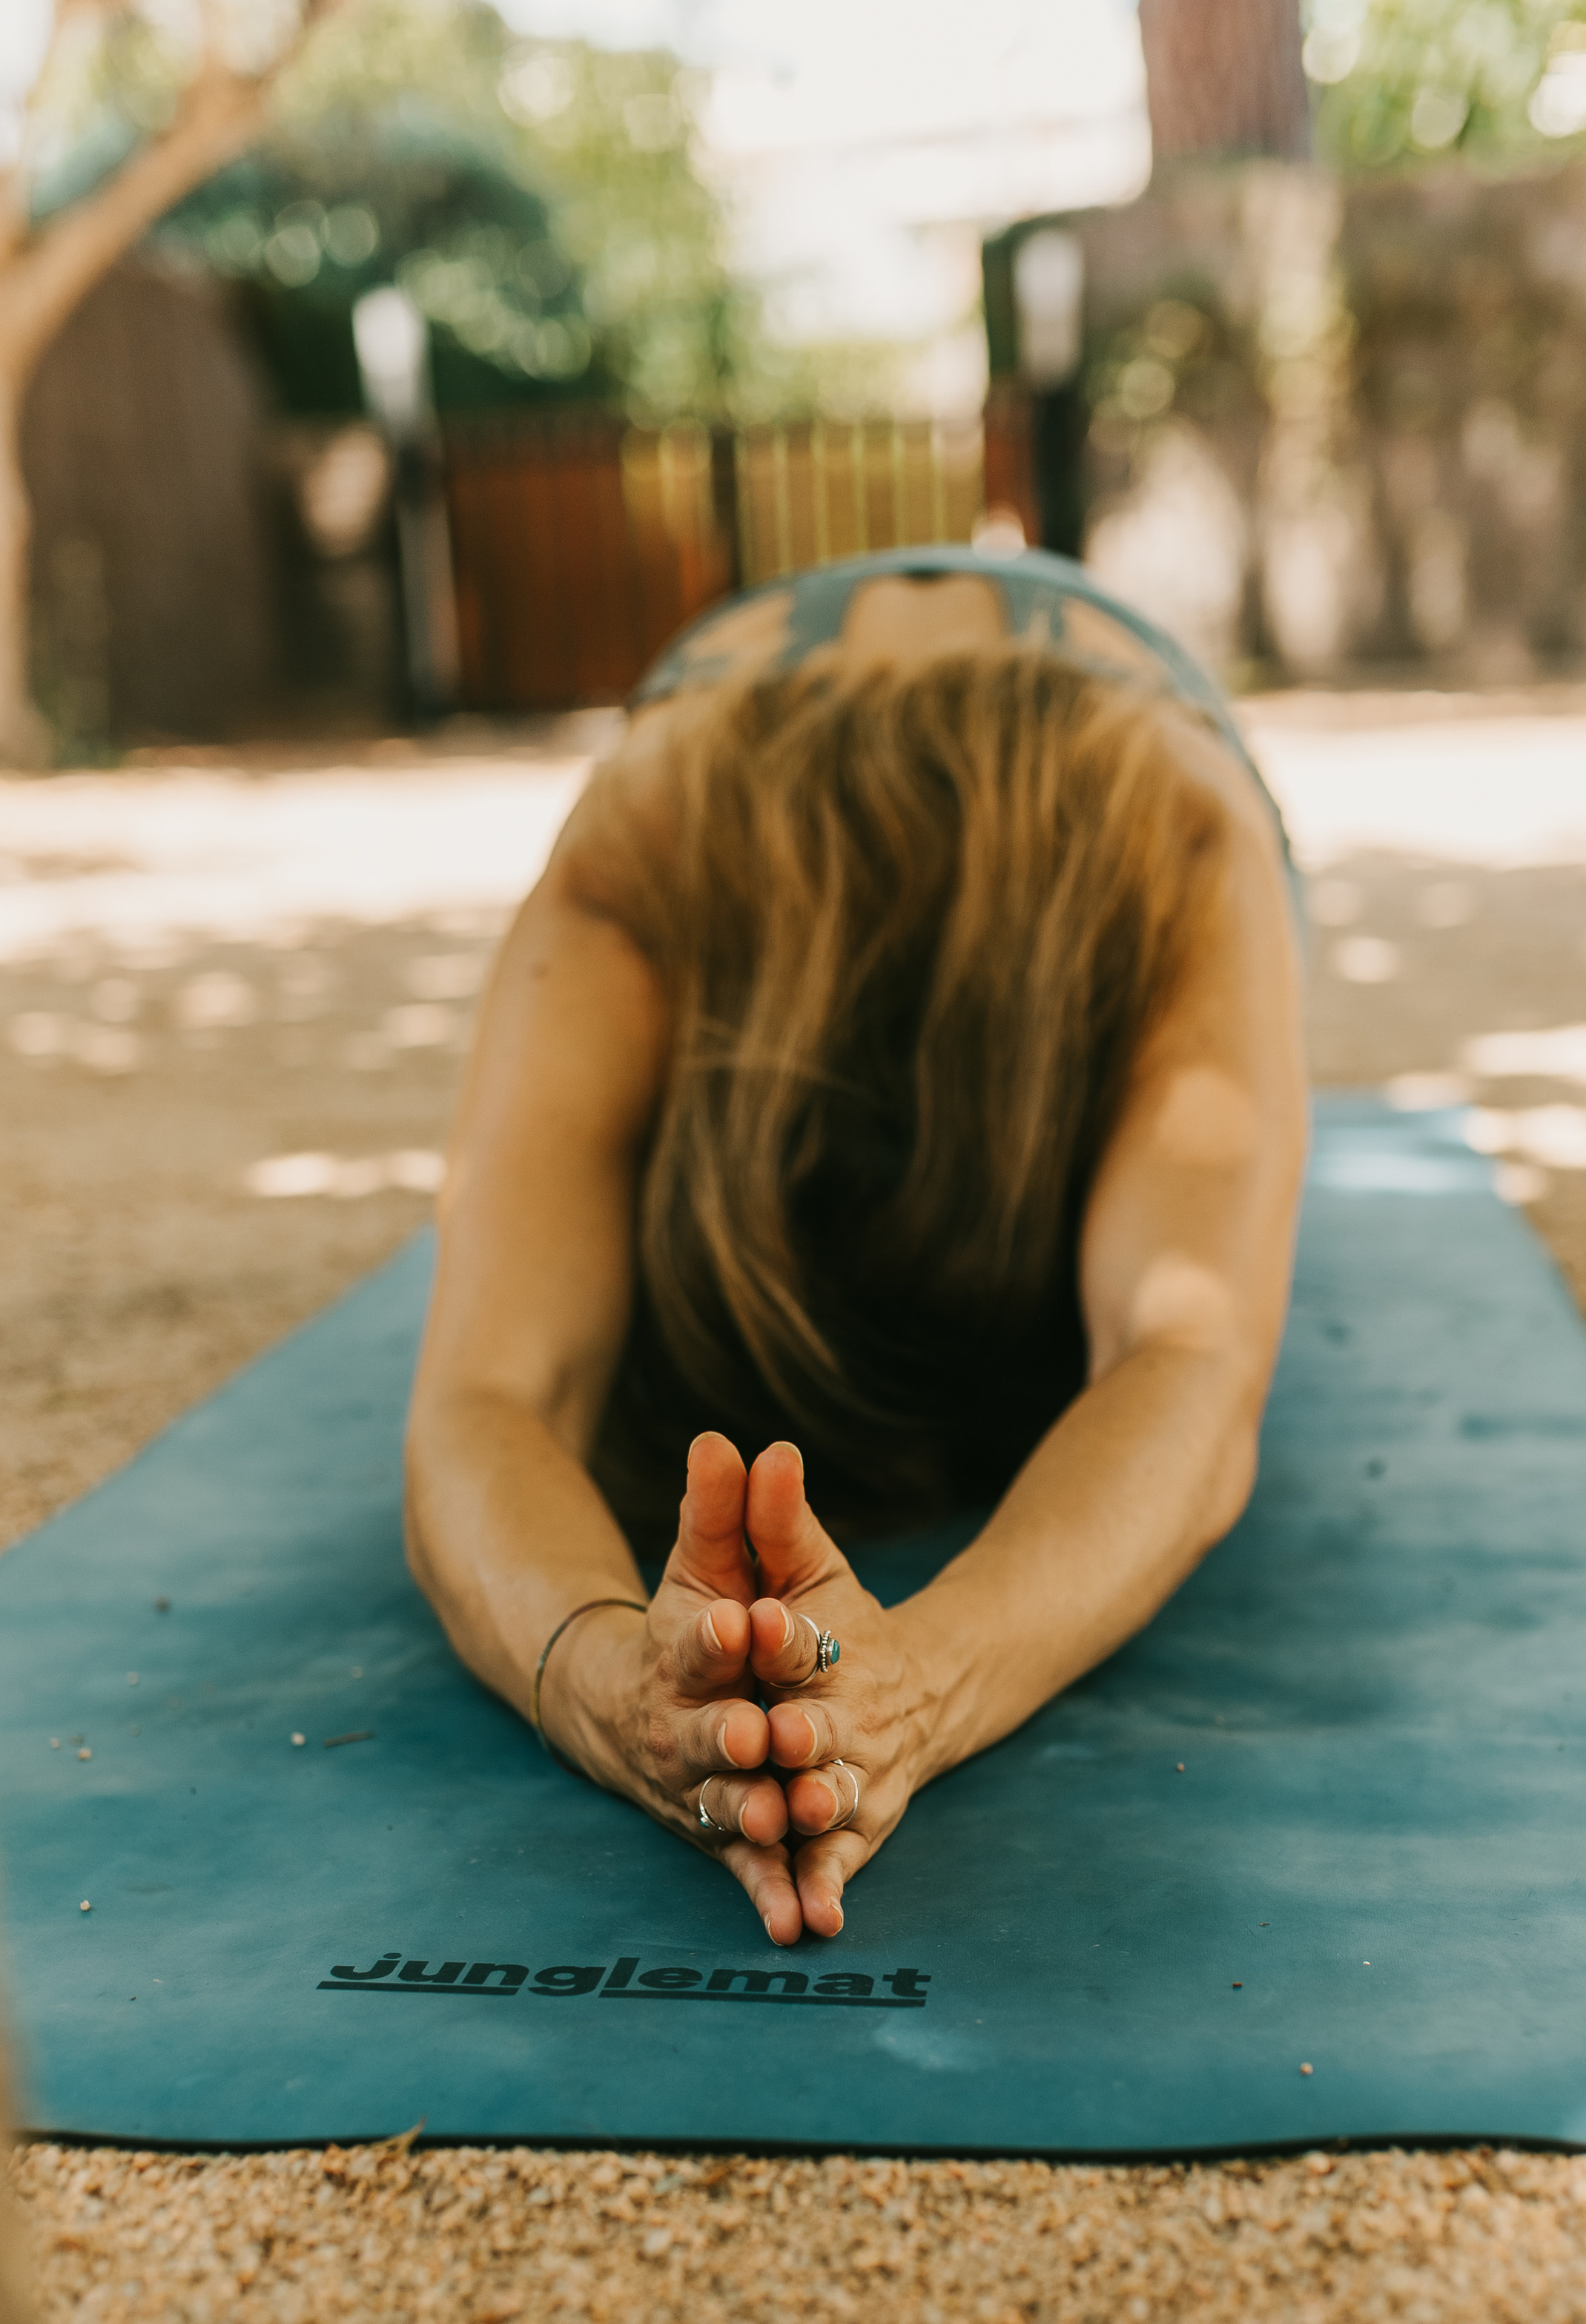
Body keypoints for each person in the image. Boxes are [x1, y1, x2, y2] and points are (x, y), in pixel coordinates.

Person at [403, 547, 1306, 1949]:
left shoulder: (1173, 825)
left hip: (1107, 698)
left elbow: (1191, 1354)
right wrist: (613, 1688)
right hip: (731, 696)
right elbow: (484, 1396)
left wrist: (914, 1688)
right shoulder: (643, 849)